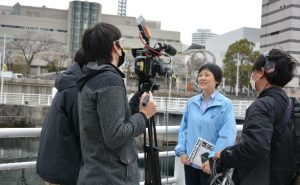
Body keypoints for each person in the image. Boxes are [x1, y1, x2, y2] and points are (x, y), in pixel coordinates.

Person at [76, 22, 157, 185]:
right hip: (113, 177)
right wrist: (144, 115)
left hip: (96, 173)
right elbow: (115, 136)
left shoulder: (92, 76)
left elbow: (110, 118)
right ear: (115, 46)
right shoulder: (109, 79)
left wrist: (138, 98)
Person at [214, 48, 297, 185]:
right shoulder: (291, 103)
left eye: (254, 71)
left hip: (262, 177)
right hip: (284, 176)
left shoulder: (262, 105)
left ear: (261, 72)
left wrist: (224, 155)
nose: (252, 76)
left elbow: (255, 147)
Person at [175, 63, 237, 185]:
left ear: (217, 80)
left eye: (207, 75)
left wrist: (212, 159)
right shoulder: (192, 102)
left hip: (211, 165)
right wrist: (182, 152)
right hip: (190, 161)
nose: (202, 78)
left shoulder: (225, 104)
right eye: (200, 75)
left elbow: (227, 136)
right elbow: (184, 129)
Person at [36, 49, 88, 185]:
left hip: (53, 167)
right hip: (65, 173)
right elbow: (87, 134)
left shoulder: (69, 83)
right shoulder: (77, 90)